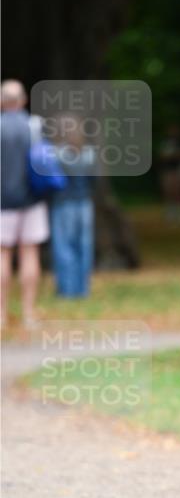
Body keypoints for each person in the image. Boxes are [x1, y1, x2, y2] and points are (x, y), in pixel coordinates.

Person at [0, 79, 49, 330]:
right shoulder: (34, 126)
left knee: (2, 256)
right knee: (30, 254)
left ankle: (1, 314)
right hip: (32, 200)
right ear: (23, 100)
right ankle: (29, 314)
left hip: (2, 204)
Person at [48, 113, 97, 297]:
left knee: (64, 246)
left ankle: (66, 290)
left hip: (63, 204)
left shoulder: (56, 154)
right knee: (84, 246)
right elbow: (95, 181)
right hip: (85, 203)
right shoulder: (90, 153)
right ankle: (83, 289)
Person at [157, 123, 180, 223]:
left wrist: (176, 155)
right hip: (170, 170)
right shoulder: (166, 142)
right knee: (169, 191)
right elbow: (162, 156)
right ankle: (171, 212)